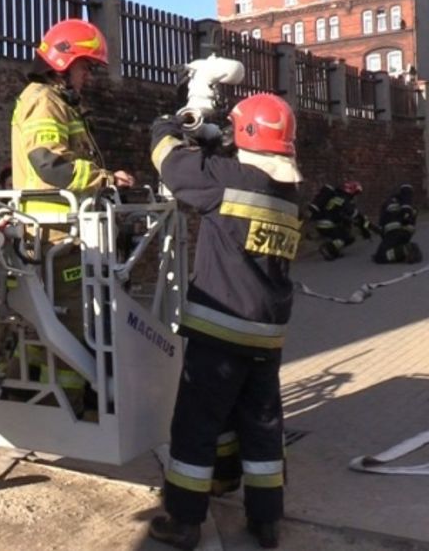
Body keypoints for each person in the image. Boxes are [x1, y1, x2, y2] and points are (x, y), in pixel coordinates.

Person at [147, 92, 300, 550]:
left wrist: (171, 122)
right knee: (263, 426)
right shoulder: (291, 193)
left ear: (247, 135)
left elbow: (171, 164)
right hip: (267, 336)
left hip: (221, 332)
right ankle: (266, 521)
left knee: (196, 426)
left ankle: (184, 521)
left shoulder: (227, 179)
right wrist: (217, 144)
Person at [9, 18, 135, 418]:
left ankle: (34, 397)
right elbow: (50, 164)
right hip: (56, 234)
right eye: (86, 68)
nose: (88, 77)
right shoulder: (44, 100)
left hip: (66, 231)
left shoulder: (58, 100)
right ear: (64, 63)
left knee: (59, 318)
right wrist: (104, 180)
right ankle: (64, 411)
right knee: (73, 321)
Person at [307, 180, 371, 261]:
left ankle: (334, 252)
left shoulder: (336, 195)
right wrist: (361, 219)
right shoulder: (343, 199)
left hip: (321, 222)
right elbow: (352, 213)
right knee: (347, 238)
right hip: (328, 225)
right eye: (355, 193)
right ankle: (328, 248)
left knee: (343, 230)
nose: (355, 195)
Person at [372, 184, 423, 264]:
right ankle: (403, 251)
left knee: (380, 257)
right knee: (391, 250)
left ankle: (408, 249)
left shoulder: (388, 203)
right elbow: (413, 223)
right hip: (407, 234)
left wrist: (384, 239)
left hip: (393, 232)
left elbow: (382, 223)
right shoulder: (412, 207)